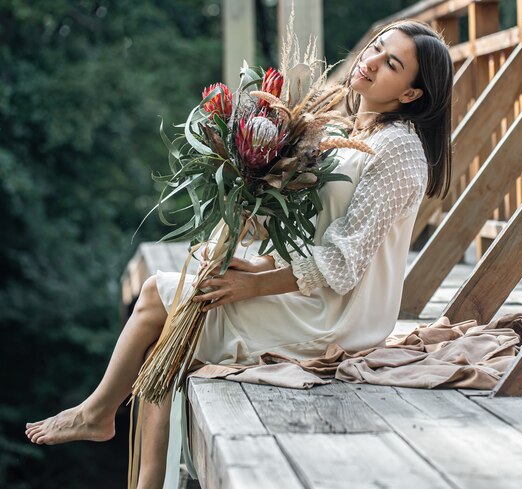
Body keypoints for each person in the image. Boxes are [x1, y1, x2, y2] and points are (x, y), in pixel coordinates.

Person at [25, 19, 453, 489]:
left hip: (339, 317)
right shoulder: (355, 132)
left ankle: (97, 412)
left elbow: (344, 260)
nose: (370, 61)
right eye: (376, 47)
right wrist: (256, 261)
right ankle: (131, 459)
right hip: (311, 294)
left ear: (412, 95)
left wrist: (252, 286)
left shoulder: (399, 151)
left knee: (157, 295)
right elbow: (315, 233)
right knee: (167, 328)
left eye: (391, 64)